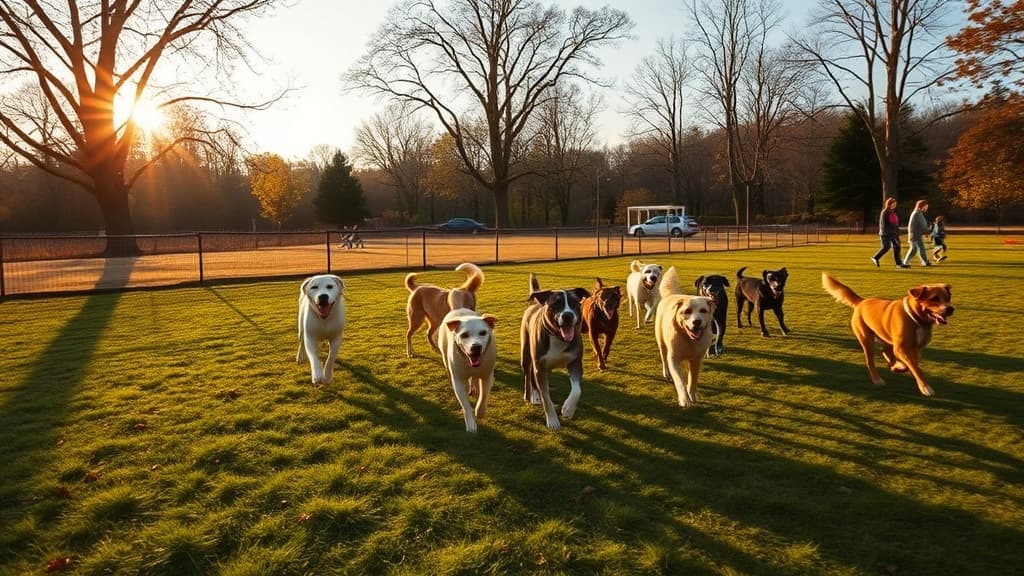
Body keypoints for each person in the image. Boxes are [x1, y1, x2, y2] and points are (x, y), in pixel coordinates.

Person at [870, 197, 908, 268]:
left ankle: (899, 264)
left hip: (893, 233)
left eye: (895, 204)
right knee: (886, 247)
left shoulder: (891, 212)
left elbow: (894, 223)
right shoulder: (885, 212)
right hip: (886, 234)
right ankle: (875, 258)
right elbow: (884, 224)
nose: (894, 205)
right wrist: (892, 230)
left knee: (897, 247)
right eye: (893, 204)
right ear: (889, 204)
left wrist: (896, 230)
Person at [902, 199, 931, 267]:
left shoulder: (918, 213)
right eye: (925, 207)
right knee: (921, 248)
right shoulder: (917, 214)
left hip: (915, 234)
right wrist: (927, 230)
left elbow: (921, 225)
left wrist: (926, 231)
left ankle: (905, 262)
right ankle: (925, 262)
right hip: (915, 235)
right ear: (922, 206)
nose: (926, 208)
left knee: (913, 250)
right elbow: (921, 225)